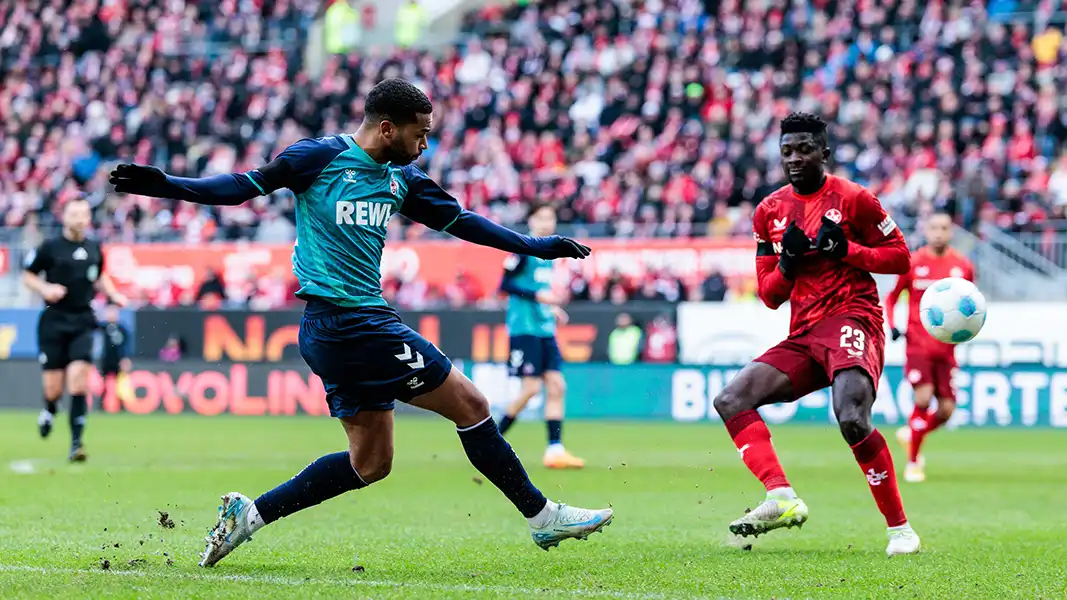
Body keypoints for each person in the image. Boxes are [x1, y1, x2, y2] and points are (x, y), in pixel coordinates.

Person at [109, 78, 612, 568]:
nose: (425, 144)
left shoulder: (403, 179)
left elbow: (464, 222)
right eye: (421, 134)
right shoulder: (317, 158)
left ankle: (250, 514)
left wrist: (534, 245)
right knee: (472, 404)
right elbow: (243, 187)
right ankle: (542, 515)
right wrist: (170, 185)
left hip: (343, 331)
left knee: (371, 464)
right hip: (349, 322)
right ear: (388, 129)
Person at [711, 112, 919, 557]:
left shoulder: (855, 198)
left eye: (804, 149)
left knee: (851, 417)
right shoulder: (768, 212)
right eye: (787, 151)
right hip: (804, 332)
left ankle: (900, 530)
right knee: (731, 400)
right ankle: (781, 495)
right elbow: (769, 296)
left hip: (852, 319)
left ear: (824, 153)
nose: (794, 158)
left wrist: (847, 250)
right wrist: (787, 262)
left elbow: (900, 257)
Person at [22, 198, 127, 462]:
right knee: (53, 390)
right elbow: (29, 275)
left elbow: (99, 276)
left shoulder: (94, 247)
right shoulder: (50, 247)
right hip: (53, 321)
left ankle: (76, 444)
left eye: (83, 213)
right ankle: (49, 410)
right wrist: (45, 289)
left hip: (82, 320)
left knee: (79, 379)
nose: (79, 218)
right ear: (64, 216)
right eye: (74, 213)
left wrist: (114, 294)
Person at [884, 212, 974, 483]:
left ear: (951, 232)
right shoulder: (913, 262)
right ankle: (913, 462)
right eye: (933, 227)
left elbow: (971, 308)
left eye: (944, 228)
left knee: (947, 411)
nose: (938, 232)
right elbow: (890, 298)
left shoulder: (963, 266)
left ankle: (912, 432)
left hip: (946, 349)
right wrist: (893, 326)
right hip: (918, 346)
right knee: (923, 399)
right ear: (926, 230)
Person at [495, 203, 584, 469]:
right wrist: (538, 297)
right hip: (524, 329)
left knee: (557, 386)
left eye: (551, 217)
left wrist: (551, 308)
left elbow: (538, 289)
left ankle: (554, 451)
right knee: (531, 389)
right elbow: (504, 285)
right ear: (531, 220)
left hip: (545, 329)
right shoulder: (522, 250)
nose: (547, 223)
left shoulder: (549, 256)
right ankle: (490, 439)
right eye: (541, 217)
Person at [98, 305, 132, 405]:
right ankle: (101, 405)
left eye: (113, 313)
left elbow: (126, 345)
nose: (111, 315)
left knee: (120, 384)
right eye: (109, 313)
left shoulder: (122, 329)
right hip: (106, 359)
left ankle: (121, 405)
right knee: (104, 383)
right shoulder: (104, 327)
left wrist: (125, 358)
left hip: (118, 360)